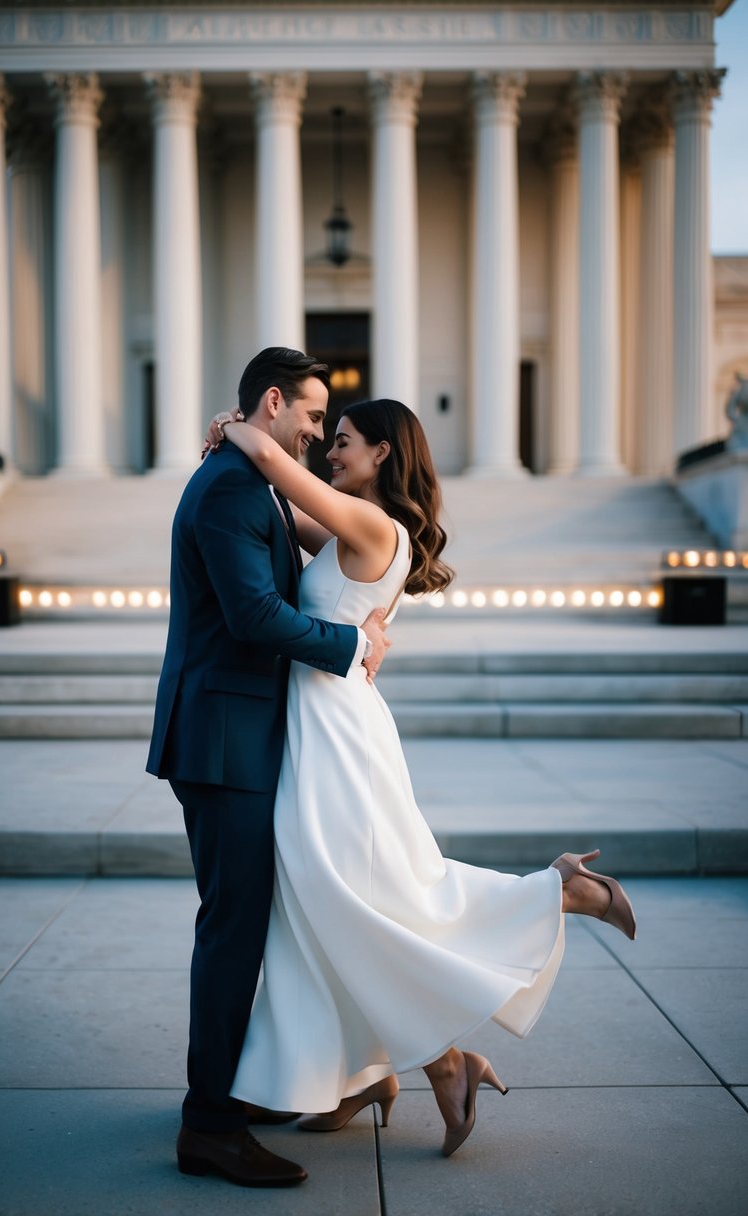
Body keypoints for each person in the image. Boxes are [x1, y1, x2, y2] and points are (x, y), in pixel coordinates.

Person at [205, 396, 636, 1160]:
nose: (328, 451)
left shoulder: (371, 525)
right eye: (327, 439)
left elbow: (274, 466)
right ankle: (366, 1076)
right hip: (327, 725)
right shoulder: (356, 523)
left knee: (354, 898)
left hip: (336, 732)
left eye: (341, 442)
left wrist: (234, 429)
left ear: (381, 453)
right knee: (333, 901)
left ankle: (549, 896)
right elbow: (280, 515)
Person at [146, 348, 391, 1189]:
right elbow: (253, 617)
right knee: (232, 933)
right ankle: (209, 1127)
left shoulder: (247, 482)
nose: (321, 433)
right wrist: (354, 645)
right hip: (222, 739)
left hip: (238, 734)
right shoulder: (227, 490)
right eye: (316, 418)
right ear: (277, 403)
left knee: (241, 927)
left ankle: (229, 1096)